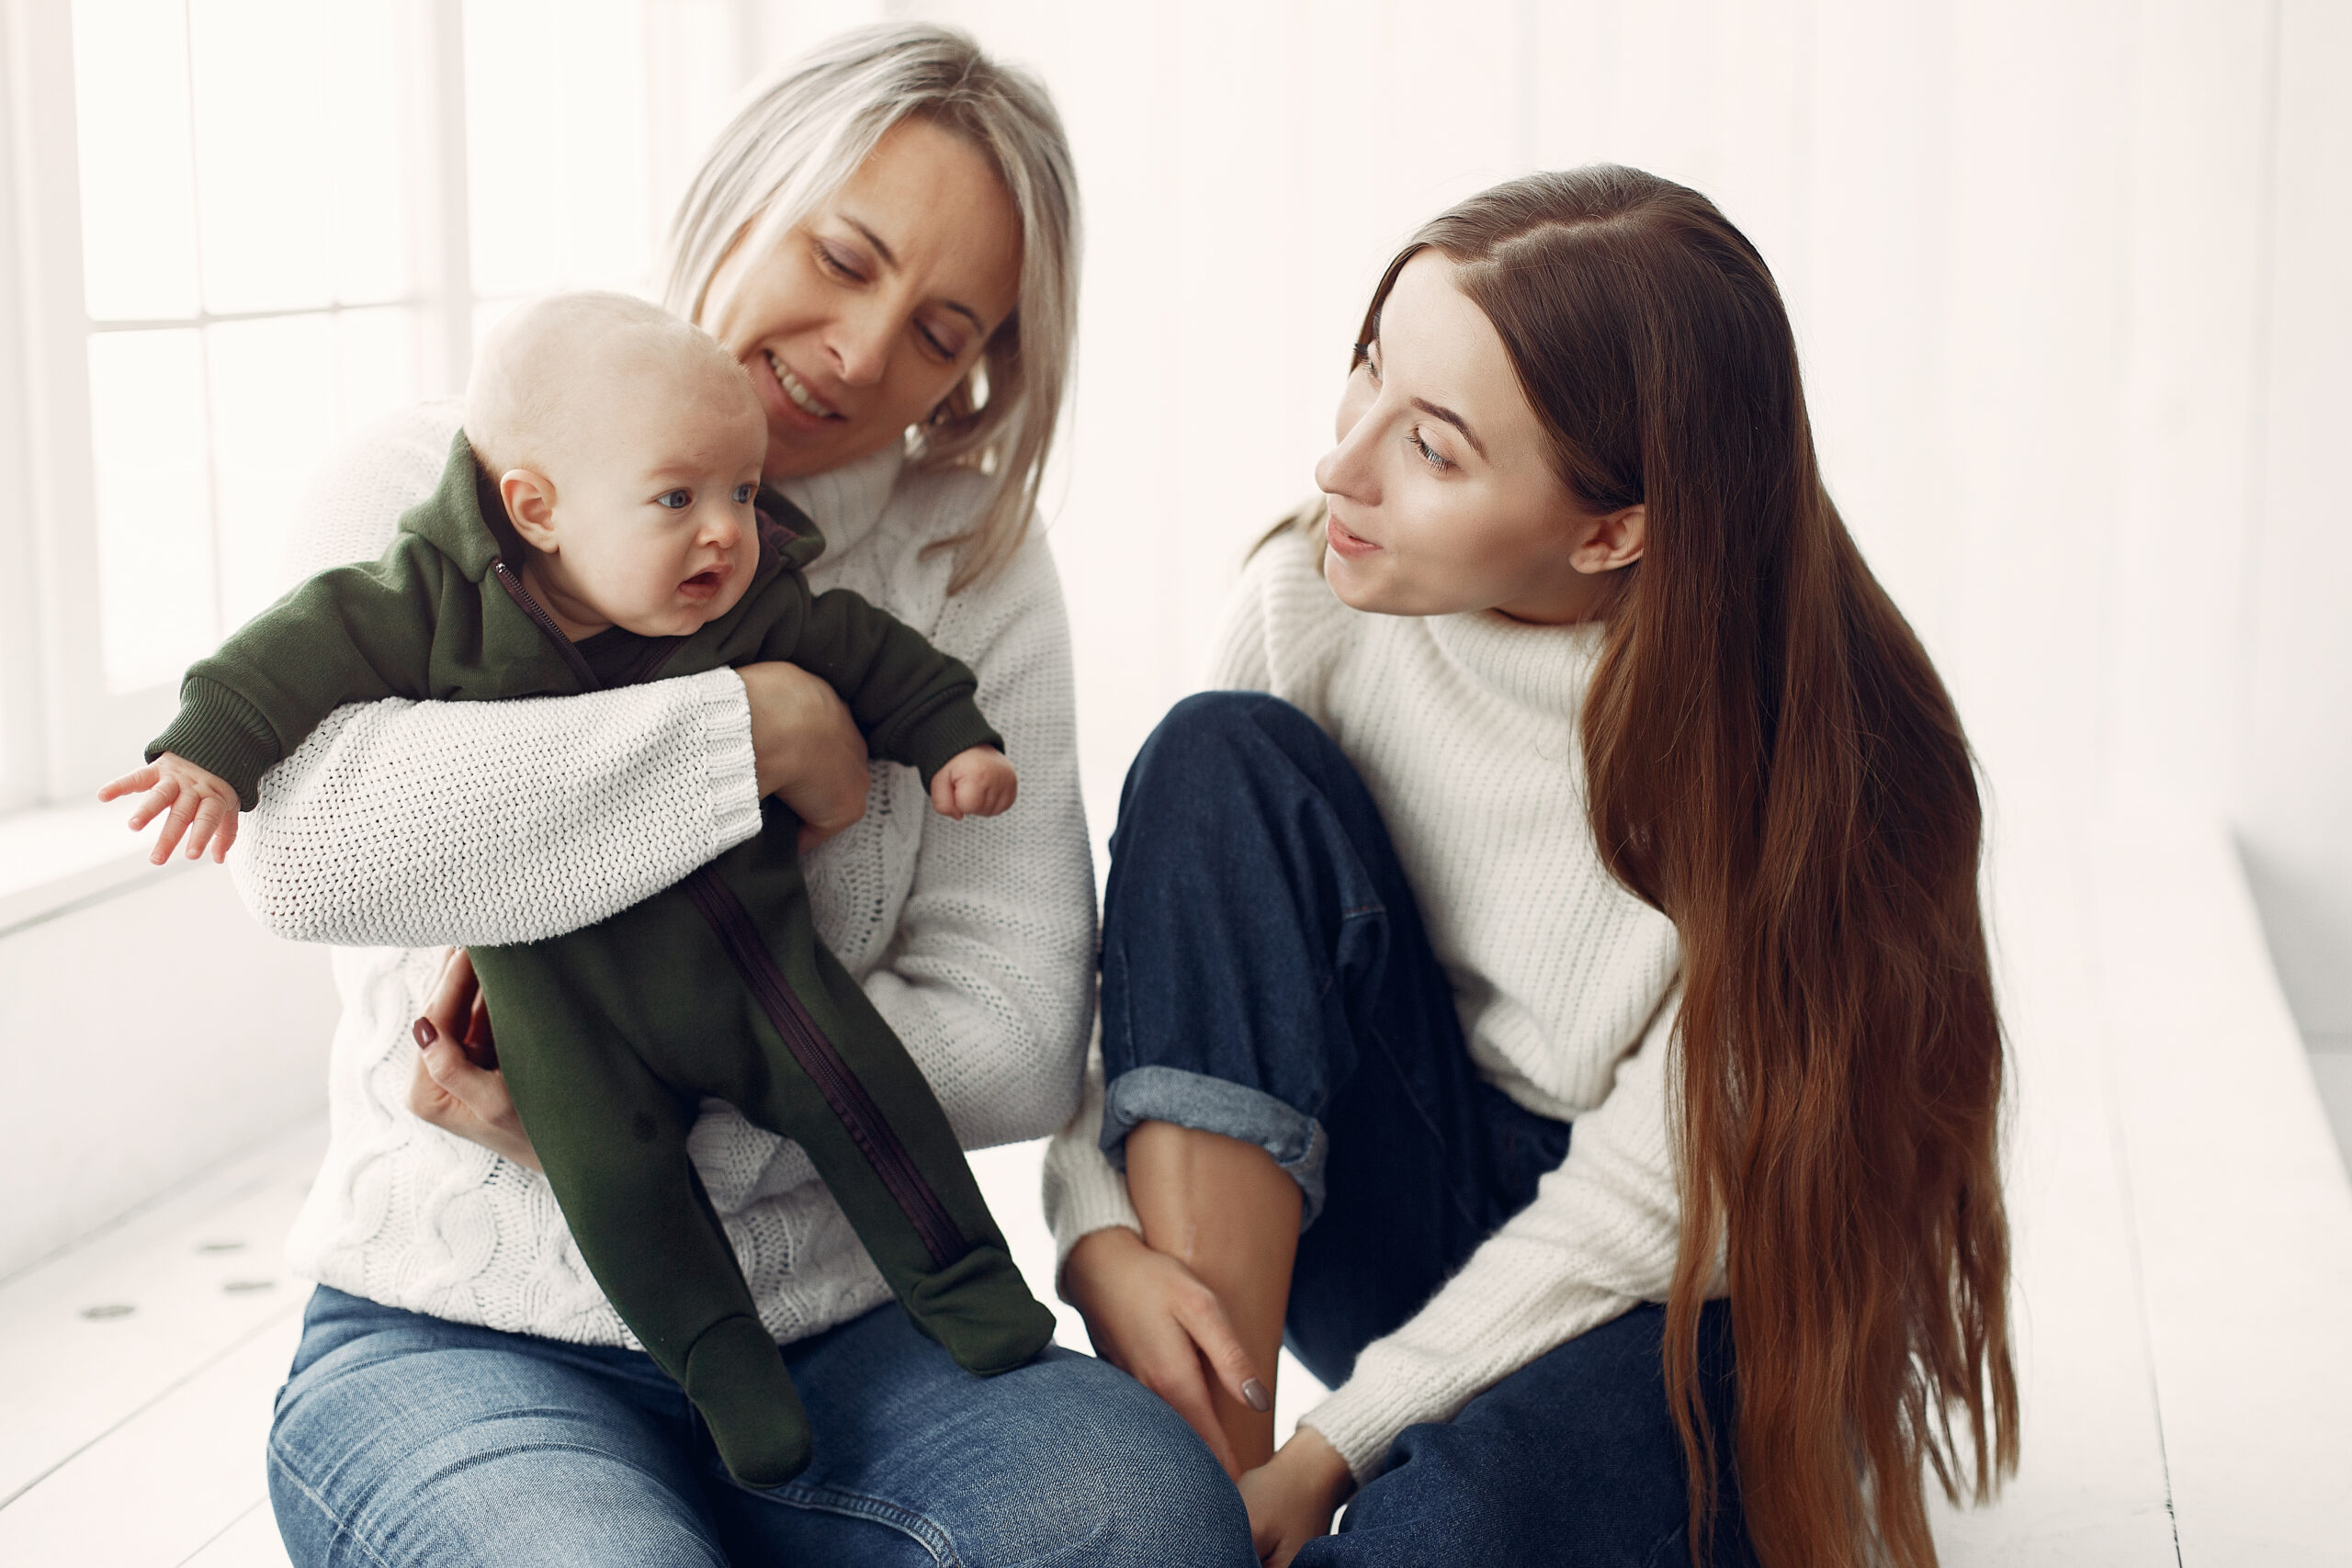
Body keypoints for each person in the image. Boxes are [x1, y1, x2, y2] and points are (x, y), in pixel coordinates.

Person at [220, 26, 1251, 1567]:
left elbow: (1021, 1034)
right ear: (742, 192)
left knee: (1147, 1518)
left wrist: (620, 1110)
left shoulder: (964, 564)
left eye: (938, 330)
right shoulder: (437, 477)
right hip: (463, 1334)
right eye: (841, 258)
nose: (860, 348)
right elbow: (308, 854)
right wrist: (744, 735)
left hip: (861, 1338)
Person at [1050, 165, 2018, 1568]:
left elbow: (1651, 1210)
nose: (1343, 466)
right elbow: (1164, 980)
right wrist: (1095, 1232)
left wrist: (1342, 1446)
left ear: (1614, 528)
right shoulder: (1309, 599)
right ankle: (1199, 1515)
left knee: (1434, 1536)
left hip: (1680, 1303)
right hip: (1405, 1199)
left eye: (1432, 449)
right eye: (1365, 375)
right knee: (1217, 759)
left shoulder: (1828, 769)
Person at [107, 291, 1052, 1486]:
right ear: (537, 510)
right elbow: (297, 651)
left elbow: (878, 657)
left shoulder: (758, 605)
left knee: (864, 1098)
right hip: (563, 1015)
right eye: (679, 501)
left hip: (757, 968)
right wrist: (207, 749)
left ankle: (971, 1288)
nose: (724, 533)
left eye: (745, 497)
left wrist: (955, 738)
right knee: (623, 1194)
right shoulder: (437, 601)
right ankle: (729, 1379)